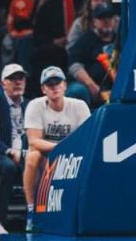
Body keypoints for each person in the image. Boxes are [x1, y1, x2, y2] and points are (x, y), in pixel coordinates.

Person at [23, 66, 90, 232]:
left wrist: (66, 151)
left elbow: (88, 139)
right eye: (49, 84)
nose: (54, 87)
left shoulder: (79, 106)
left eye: (57, 82)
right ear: (43, 89)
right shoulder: (35, 106)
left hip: (74, 157)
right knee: (32, 157)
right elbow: (34, 142)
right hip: (48, 156)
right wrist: (61, 148)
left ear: (65, 85)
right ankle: (31, 211)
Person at [66, 3, 118, 107]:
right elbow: (74, 65)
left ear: (115, 20)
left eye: (109, 17)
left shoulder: (122, 39)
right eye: (101, 18)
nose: (106, 21)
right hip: (91, 89)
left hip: (117, 88)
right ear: (94, 22)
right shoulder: (85, 40)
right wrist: (91, 85)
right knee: (76, 90)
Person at [0, 64, 29, 231]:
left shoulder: (31, 105)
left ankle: (35, 219)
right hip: (1, 152)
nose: (18, 82)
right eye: (12, 79)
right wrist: (8, 151)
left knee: (41, 162)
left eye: (21, 78)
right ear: (3, 83)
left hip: (26, 153)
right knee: (8, 167)